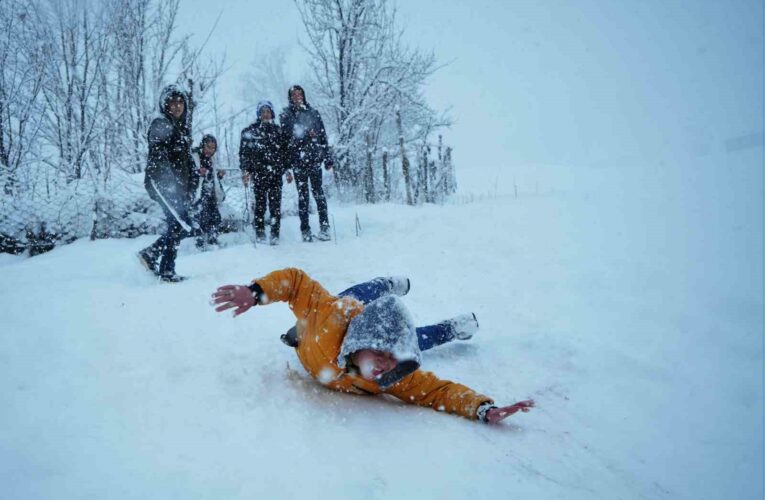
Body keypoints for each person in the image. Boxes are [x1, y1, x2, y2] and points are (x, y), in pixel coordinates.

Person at [211, 268, 535, 424]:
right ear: (362, 342)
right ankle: (387, 284)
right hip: (336, 320)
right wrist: (256, 292)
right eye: (380, 354)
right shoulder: (327, 316)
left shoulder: (392, 373)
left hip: (369, 330)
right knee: (354, 294)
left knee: (419, 340)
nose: (384, 366)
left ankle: (452, 328)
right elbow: (295, 282)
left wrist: (481, 407)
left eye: (392, 362)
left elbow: (437, 391)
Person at [138, 84, 198, 282]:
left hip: (176, 188)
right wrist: (170, 187)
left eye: (181, 102)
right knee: (181, 225)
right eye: (172, 102)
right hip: (162, 185)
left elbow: (188, 163)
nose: (177, 106)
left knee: (180, 225)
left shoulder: (181, 129)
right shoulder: (161, 124)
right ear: (165, 104)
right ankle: (164, 267)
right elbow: (159, 160)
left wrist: (190, 188)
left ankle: (154, 257)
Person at [279, 85, 332, 242]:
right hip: (298, 160)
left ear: (304, 95)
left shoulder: (313, 113)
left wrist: (327, 157)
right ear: (290, 97)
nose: (297, 97)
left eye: (300, 94)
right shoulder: (286, 114)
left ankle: (325, 227)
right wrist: (304, 137)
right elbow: (286, 138)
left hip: (314, 158)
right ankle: (305, 230)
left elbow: (322, 135)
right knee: (303, 196)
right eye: (294, 94)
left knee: (319, 193)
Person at [240, 100, 286, 245]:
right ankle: (260, 232)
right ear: (259, 114)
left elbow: (285, 153)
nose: (265, 114)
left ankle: (275, 234)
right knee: (260, 205)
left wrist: (285, 169)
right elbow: (244, 153)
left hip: (275, 175)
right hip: (258, 174)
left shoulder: (278, 131)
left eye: (268, 111)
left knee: (275, 206)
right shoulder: (250, 131)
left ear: (272, 113)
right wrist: (246, 170)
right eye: (263, 111)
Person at [191, 134, 226, 250]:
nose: (210, 150)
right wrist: (197, 173)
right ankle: (199, 241)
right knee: (201, 215)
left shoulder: (212, 160)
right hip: (198, 193)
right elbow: (187, 174)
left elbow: (210, 176)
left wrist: (218, 176)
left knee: (215, 216)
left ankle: (213, 238)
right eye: (208, 146)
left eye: (213, 148)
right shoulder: (193, 157)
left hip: (210, 193)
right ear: (202, 146)